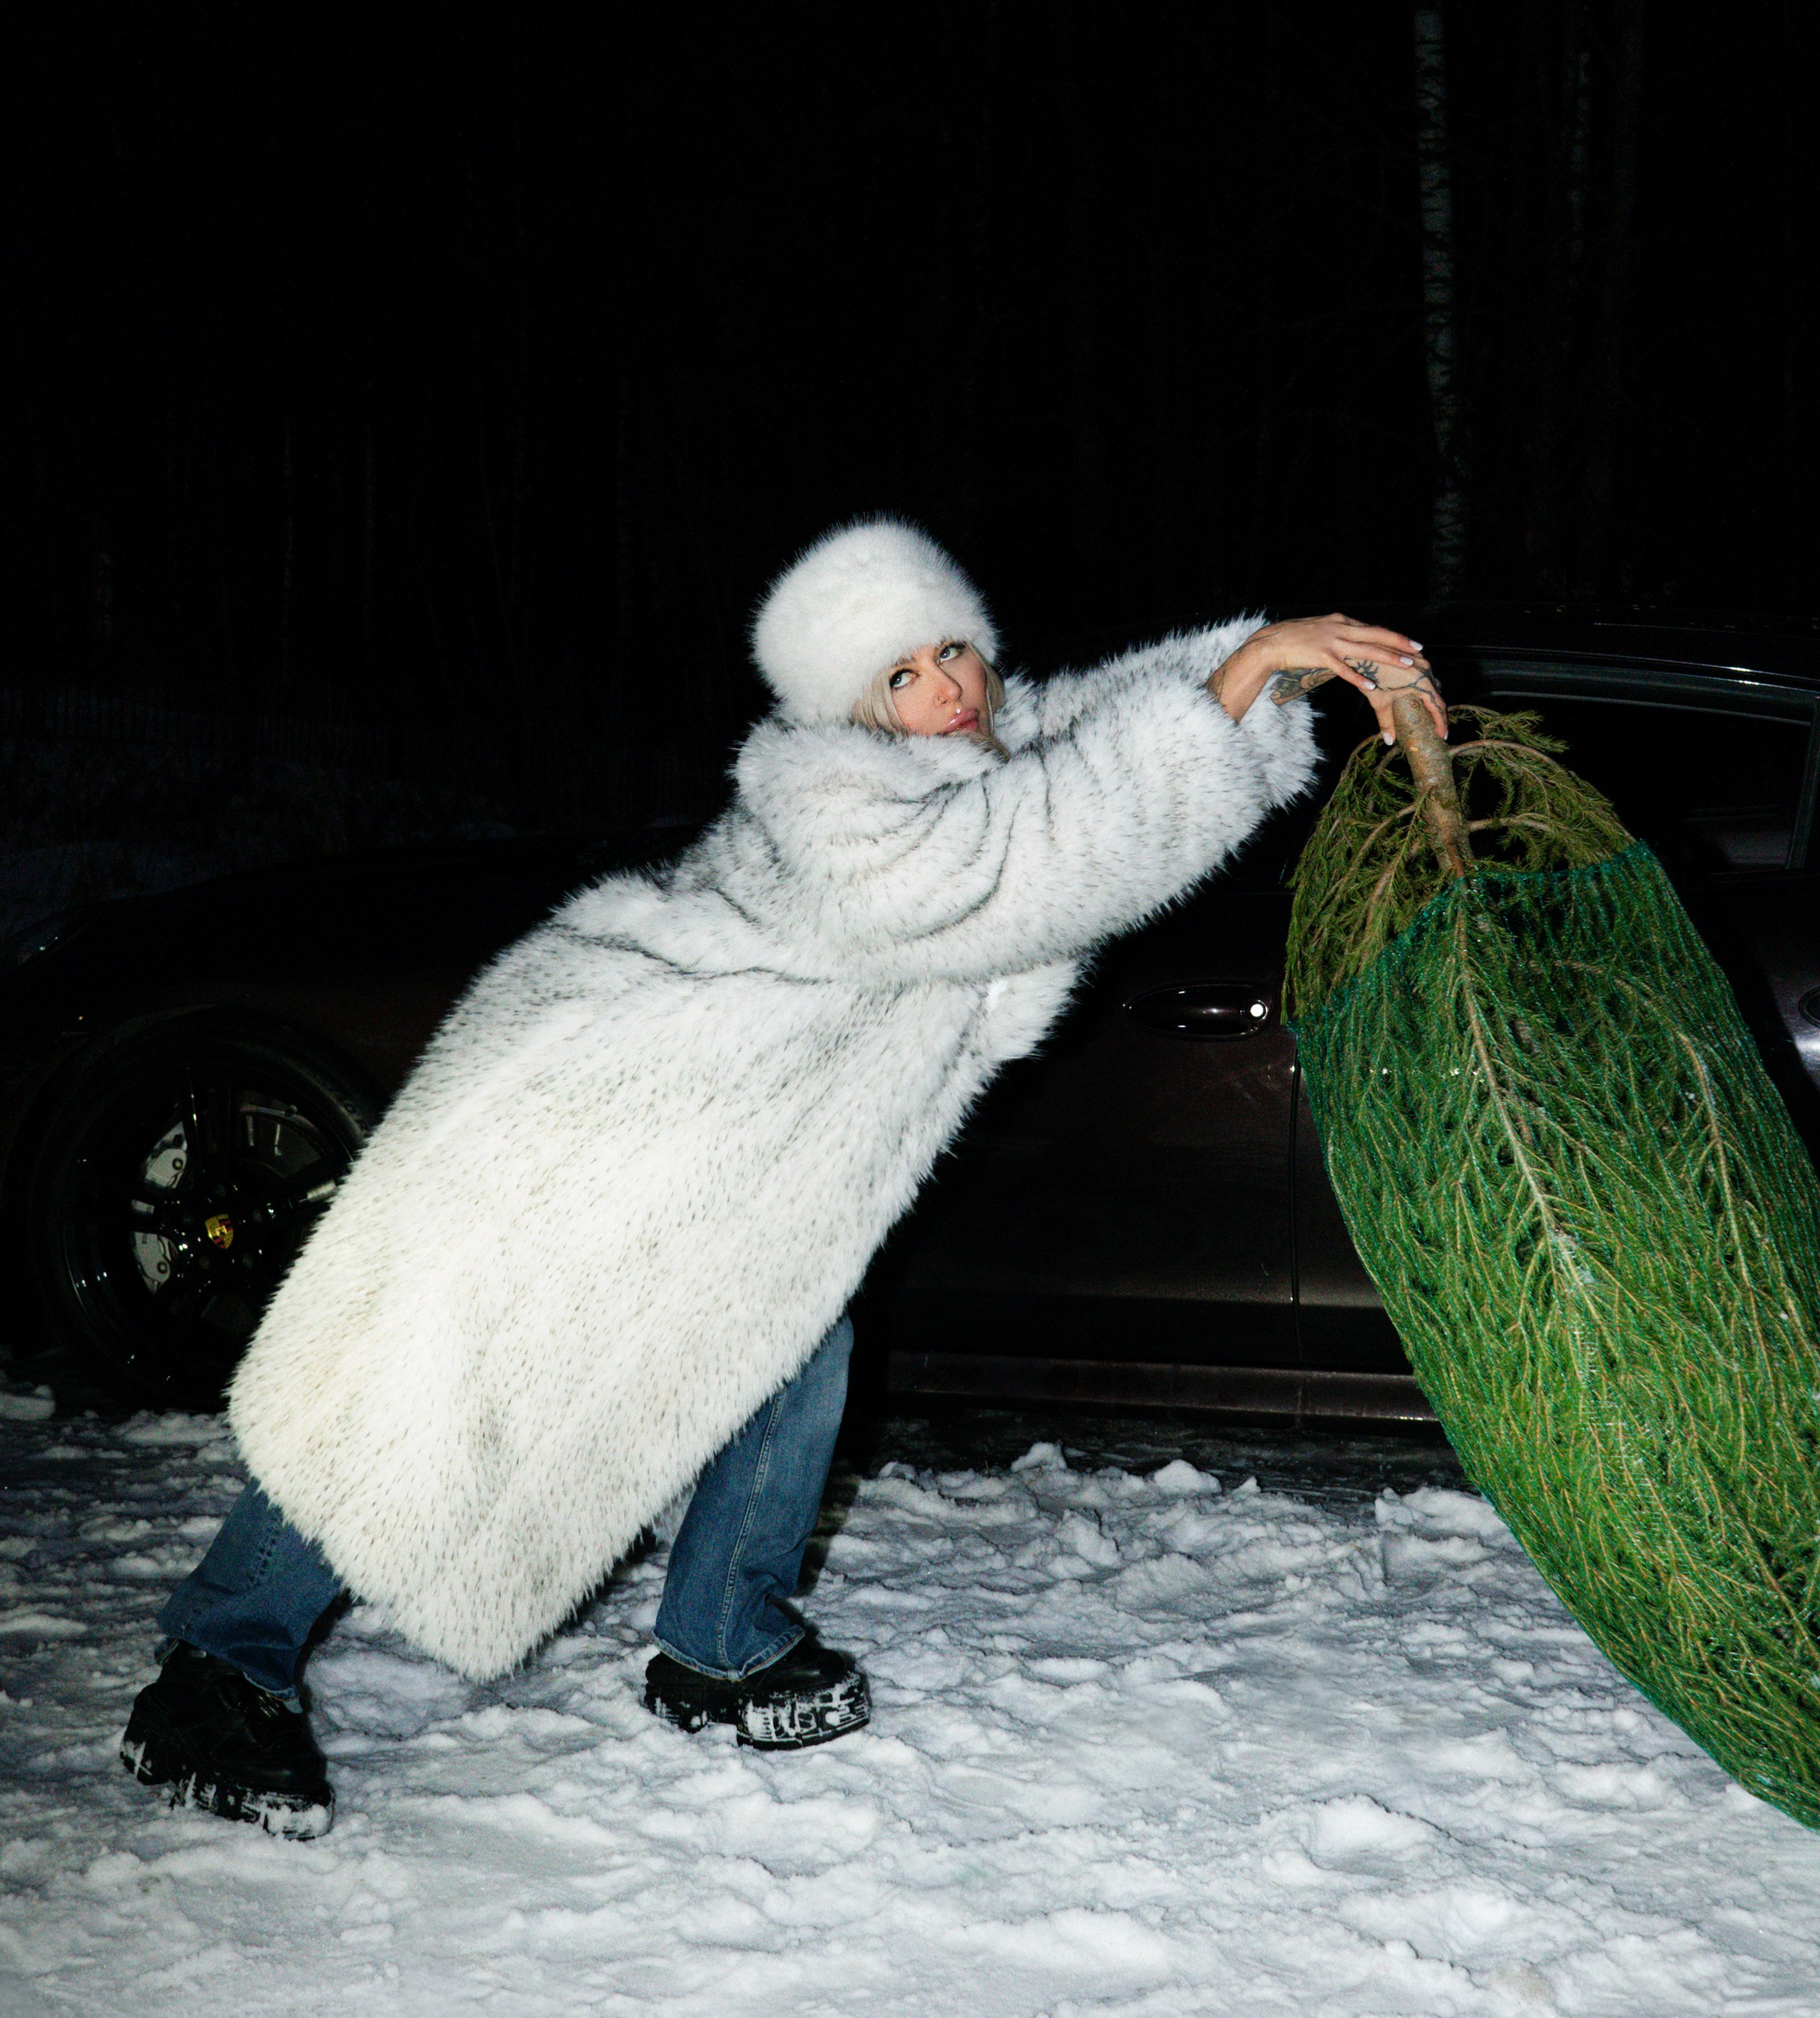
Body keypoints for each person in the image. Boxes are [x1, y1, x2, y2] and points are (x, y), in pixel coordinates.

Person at [121, 519, 1442, 1836]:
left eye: (955, 652)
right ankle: (216, 1662)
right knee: (446, 1371)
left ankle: (720, 1639)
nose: (950, 694)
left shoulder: (958, 763)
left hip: (744, 1161)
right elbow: (1041, 851)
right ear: (849, 714)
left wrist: (1261, 676)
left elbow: (1066, 742)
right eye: (902, 679)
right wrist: (1238, 677)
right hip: (606, 1124)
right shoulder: (850, 821)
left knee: (794, 1335)